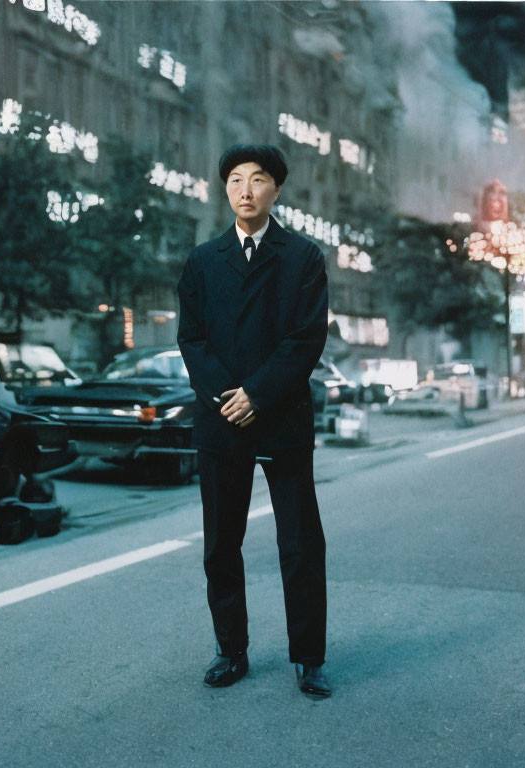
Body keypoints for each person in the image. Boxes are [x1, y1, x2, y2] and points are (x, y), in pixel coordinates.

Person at [177, 143, 331, 697]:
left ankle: (308, 658)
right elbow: (191, 339)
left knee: (300, 544)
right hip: (222, 421)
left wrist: (258, 394)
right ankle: (230, 650)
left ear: (277, 189)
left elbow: (305, 339)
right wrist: (228, 395)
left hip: (281, 418)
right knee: (222, 543)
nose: (246, 189)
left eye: (258, 179)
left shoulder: (303, 258)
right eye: (236, 179)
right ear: (225, 190)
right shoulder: (202, 261)